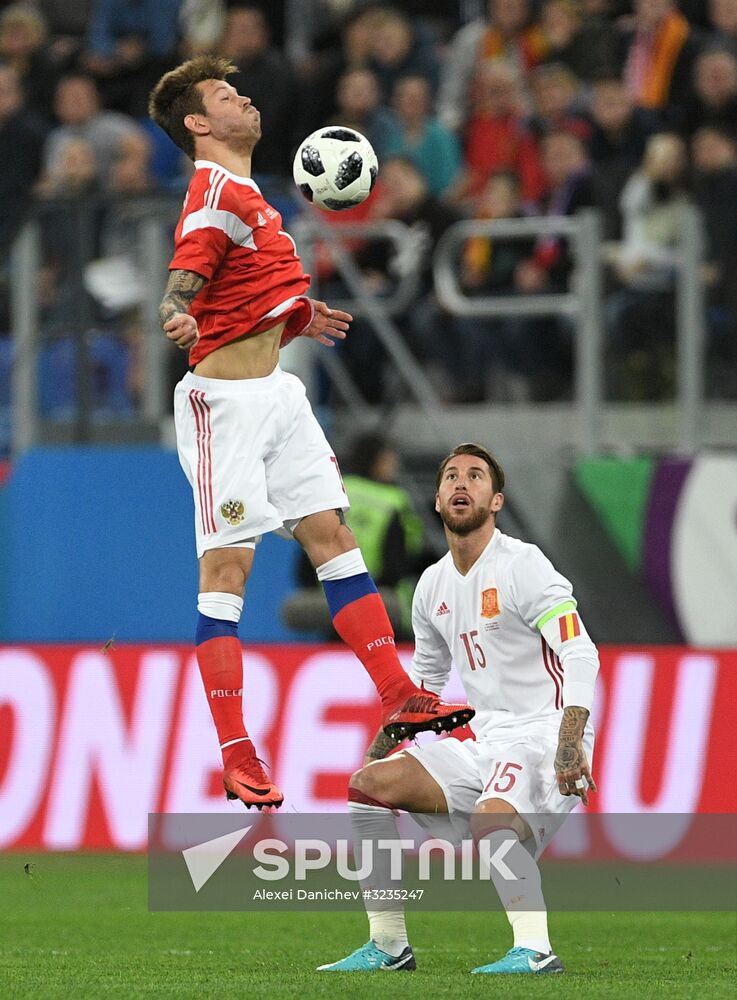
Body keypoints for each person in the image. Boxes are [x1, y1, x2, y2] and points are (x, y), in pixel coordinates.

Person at [147, 55, 474, 811]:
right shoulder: (214, 190)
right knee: (227, 572)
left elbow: (241, 281)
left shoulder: (251, 195)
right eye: (227, 96)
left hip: (278, 393)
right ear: (198, 124)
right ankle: (235, 752)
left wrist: (296, 316)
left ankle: (400, 697)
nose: (245, 99)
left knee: (332, 535)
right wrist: (176, 309)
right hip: (222, 407)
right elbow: (191, 262)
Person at [318, 443, 599, 974]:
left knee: (491, 824)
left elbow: (580, 651)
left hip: (543, 732)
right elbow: (421, 688)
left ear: (496, 500)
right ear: (438, 496)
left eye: (475, 475)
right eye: (451, 476)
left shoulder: (524, 564)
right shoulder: (432, 585)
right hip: (484, 737)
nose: (461, 483)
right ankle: (388, 946)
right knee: (369, 786)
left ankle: (536, 951)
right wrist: (379, 751)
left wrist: (568, 745)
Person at [282, 432, 427, 639]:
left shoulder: (333, 493)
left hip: (332, 609)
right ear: (380, 460)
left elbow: (306, 558)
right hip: (382, 609)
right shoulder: (394, 501)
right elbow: (400, 563)